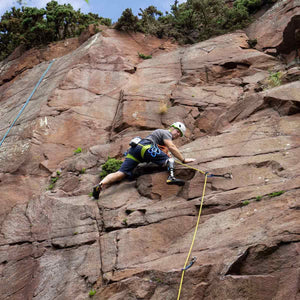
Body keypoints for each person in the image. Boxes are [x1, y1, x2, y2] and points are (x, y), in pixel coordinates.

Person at [92, 122, 195, 199]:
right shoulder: (166, 133)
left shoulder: (158, 135)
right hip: (145, 147)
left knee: (121, 173)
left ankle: (100, 185)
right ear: (172, 128)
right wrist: (183, 160)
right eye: (177, 131)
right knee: (170, 160)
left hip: (135, 150)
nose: (177, 135)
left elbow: (162, 150)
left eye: (179, 135)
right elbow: (171, 146)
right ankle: (171, 178)